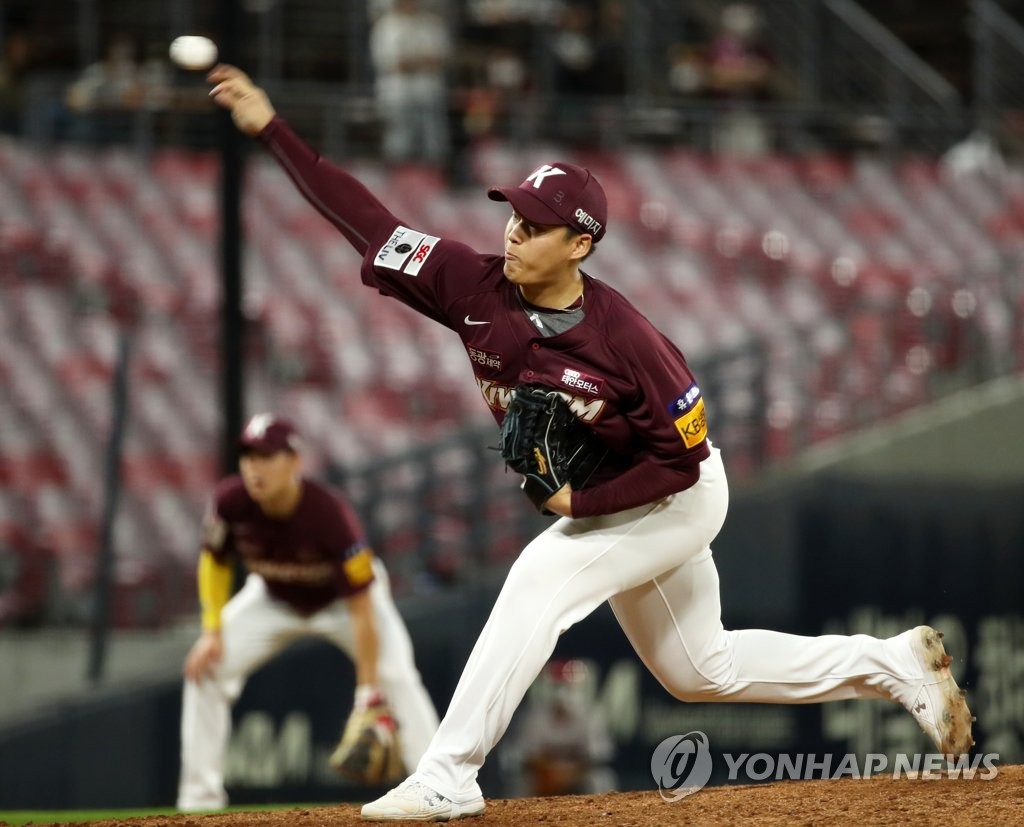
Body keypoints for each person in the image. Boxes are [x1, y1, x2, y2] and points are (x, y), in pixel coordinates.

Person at [206, 65, 975, 821]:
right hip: (625, 498)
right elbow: (368, 223)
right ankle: (892, 662)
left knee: (540, 577)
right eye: (512, 215)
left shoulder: (630, 341)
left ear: (580, 243)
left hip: (674, 493)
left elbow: (679, 460)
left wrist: (584, 499)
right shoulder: (471, 288)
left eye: (535, 226)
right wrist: (271, 127)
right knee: (701, 668)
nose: (514, 232)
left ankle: (449, 773)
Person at [176, 413, 439, 812]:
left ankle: (437, 787)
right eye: (247, 457)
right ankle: (198, 804)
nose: (253, 468)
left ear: (294, 462)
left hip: (342, 603)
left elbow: (363, 608)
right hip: (272, 598)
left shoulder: (329, 515)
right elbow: (214, 561)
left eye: (266, 457)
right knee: (205, 669)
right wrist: (212, 629)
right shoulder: (230, 502)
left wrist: (368, 693)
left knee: (398, 677)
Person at [369, 0, 452, 166]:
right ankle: (400, 184)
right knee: (399, 143)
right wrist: (421, 61)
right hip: (396, 95)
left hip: (429, 93)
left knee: (434, 143)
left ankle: (433, 184)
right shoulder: (385, 26)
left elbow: (439, 59)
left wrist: (411, 62)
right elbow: (393, 63)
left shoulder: (432, 23)